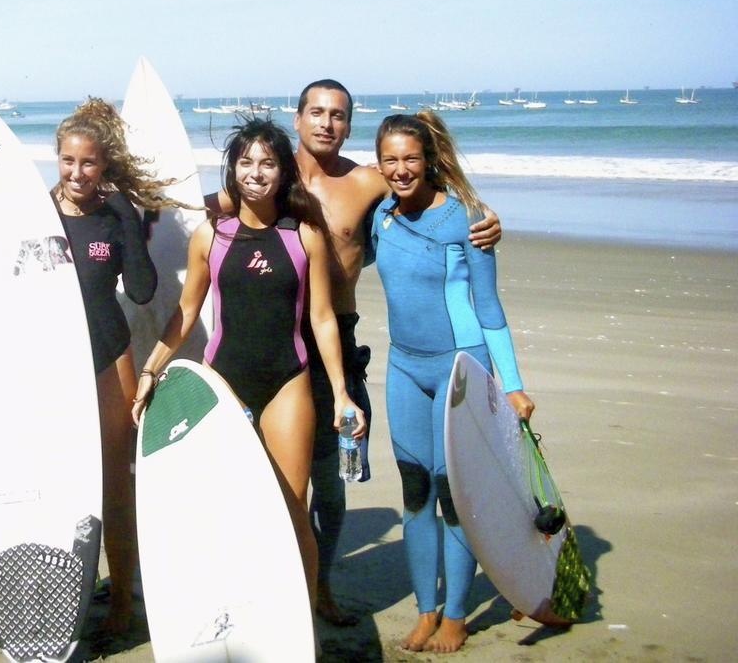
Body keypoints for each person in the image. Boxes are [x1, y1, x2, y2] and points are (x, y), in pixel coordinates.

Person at [209, 80, 502, 625]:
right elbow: (201, 215)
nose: (326, 123)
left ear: (349, 125)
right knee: (258, 468)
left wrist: (482, 221)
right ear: (297, 119)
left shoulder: (368, 182)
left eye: (338, 115)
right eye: (316, 112)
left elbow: (427, 195)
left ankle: (320, 587)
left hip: (335, 337)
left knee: (333, 471)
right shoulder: (267, 172)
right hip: (269, 337)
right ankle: (259, 579)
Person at [0, 98, 178, 633]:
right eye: (67, 161)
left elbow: (142, 289)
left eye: (88, 163)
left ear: (103, 164)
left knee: (116, 484)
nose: (77, 173)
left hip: (109, 357)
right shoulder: (34, 213)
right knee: (55, 479)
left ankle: (125, 600)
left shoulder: (113, 216)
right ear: (56, 160)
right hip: (47, 363)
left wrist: (129, 219)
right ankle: (57, 588)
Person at [132, 117, 367, 619]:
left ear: (283, 173)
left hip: (288, 380)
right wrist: (152, 369)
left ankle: (301, 625)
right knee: (228, 507)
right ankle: (236, 609)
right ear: (233, 170)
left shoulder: (305, 236)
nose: (256, 172)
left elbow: (323, 318)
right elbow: (187, 311)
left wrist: (343, 393)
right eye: (246, 162)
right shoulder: (210, 236)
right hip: (225, 382)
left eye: (267, 163)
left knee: (291, 508)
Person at [371, 111, 533, 653]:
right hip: (403, 366)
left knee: (453, 493)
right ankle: (426, 608)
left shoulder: (469, 219)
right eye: (389, 159)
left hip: (460, 367)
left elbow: (489, 307)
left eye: (410, 158)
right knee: (415, 489)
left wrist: (511, 383)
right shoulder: (382, 218)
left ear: (429, 160)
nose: (400, 169)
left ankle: (458, 615)